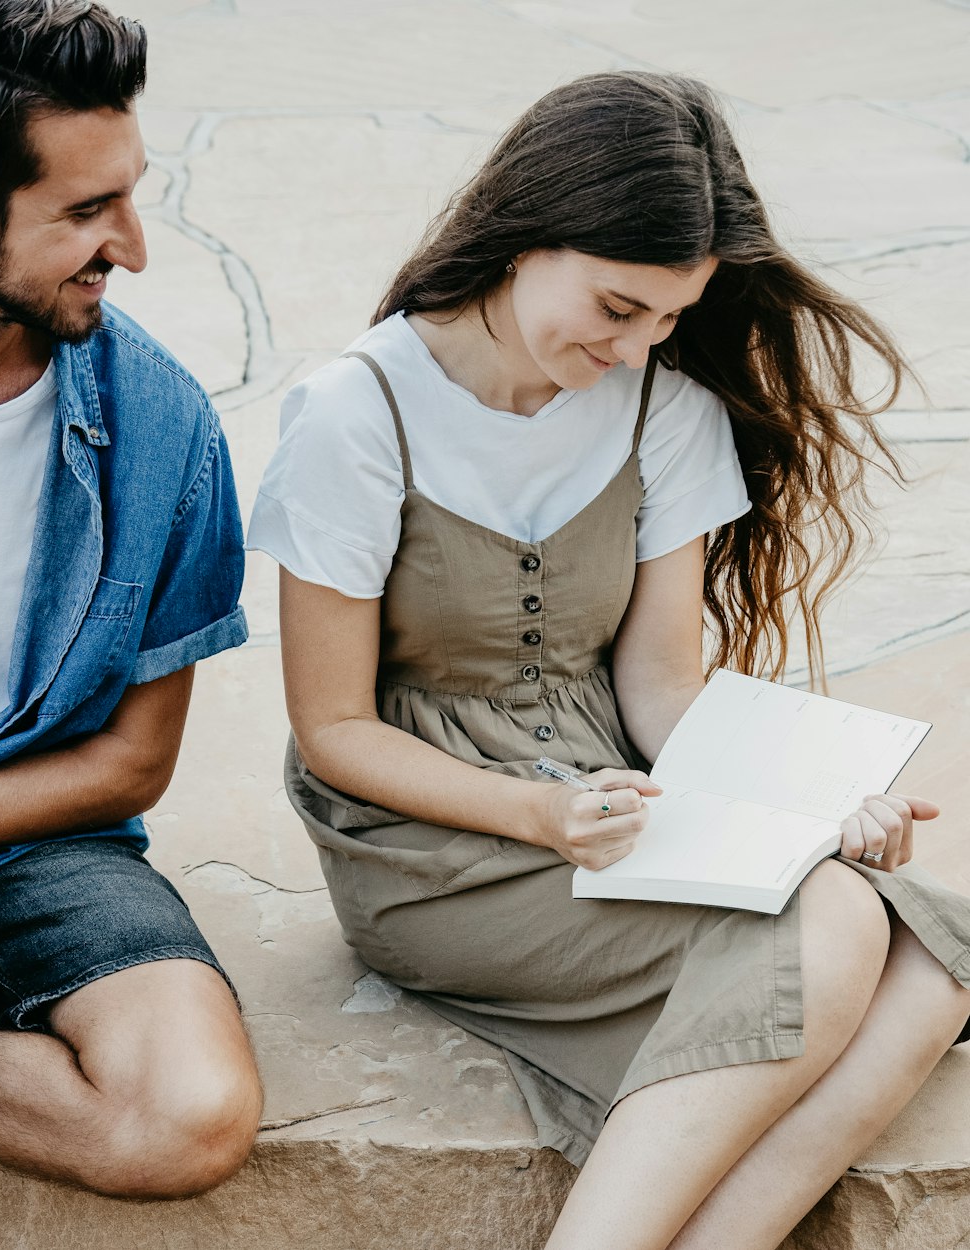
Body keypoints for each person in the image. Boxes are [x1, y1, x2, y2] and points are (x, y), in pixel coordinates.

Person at [248, 72, 970, 1248]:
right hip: (432, 844)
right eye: (617, 304)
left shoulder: (660, 410)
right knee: (836, 926)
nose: (637, 345)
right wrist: (535, 814)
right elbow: (334, 731)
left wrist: (818, 806)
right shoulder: (356, 412)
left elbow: (660, 687)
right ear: (527, 235)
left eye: (667, 318)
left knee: (931, 959)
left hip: (617, 801)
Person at [0, 0, 262, 1198]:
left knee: (187, 1116)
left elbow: (132, 764)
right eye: (87, 212)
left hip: (39, 838)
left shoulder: (162, 424)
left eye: (129, 195)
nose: (132, 247)